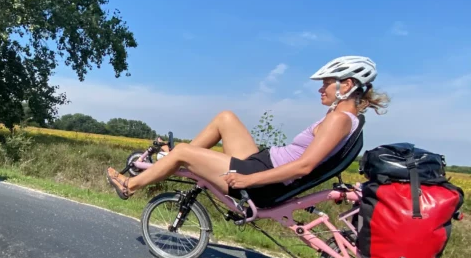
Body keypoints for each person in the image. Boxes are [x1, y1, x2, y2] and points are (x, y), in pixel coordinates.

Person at [105, 56, 390, 205]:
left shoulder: (340, 120)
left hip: (262, 180)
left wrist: (247, 181)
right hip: (263, 162)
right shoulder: (341, 115)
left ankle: (131, 185)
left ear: (347, 85)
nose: (321, 88)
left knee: (182, 152)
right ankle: (178, 158)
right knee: (225, 118)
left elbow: (304, 166)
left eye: (327, 83)